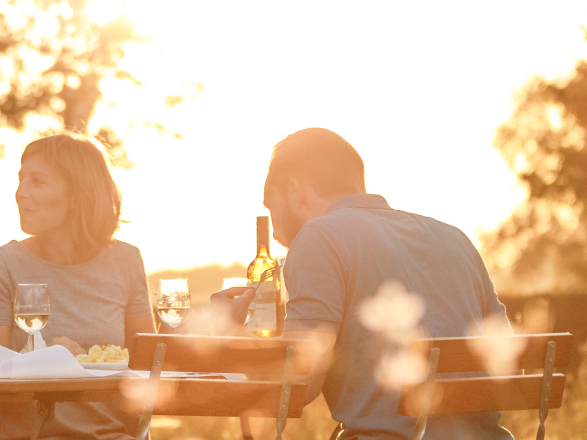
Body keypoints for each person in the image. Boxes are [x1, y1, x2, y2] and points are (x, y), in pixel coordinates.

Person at [213, 128, 514, 439]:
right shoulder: (455, 238)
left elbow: (298, 385)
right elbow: (506, 363)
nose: (274, 233)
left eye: (271, 207)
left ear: (295, 192)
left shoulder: (319, 237)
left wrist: (230, 336)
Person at [0, 134, 153, 440]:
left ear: (76, 196)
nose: (20, 193)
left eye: (37, 182)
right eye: (21, 179)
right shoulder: (0, 266)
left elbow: (147, 369)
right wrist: (43, 362)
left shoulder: (126, 260)